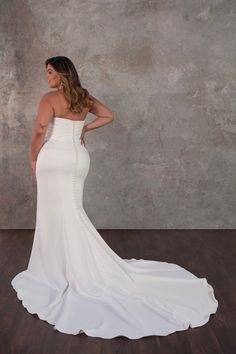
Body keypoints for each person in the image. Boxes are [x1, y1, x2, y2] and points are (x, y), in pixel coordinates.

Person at [11, 56, 218, 339]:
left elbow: (39, 130)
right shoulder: (84, 98)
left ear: (61, 74)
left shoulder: (49, 98)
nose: (46, 77)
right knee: (71, 212)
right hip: (78, 159)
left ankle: (62, 269)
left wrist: (32, 157)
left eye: (49, 72)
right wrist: (84, 127)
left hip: (54, 158)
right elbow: (109, 115)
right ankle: (73, 265)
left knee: (56, 214)